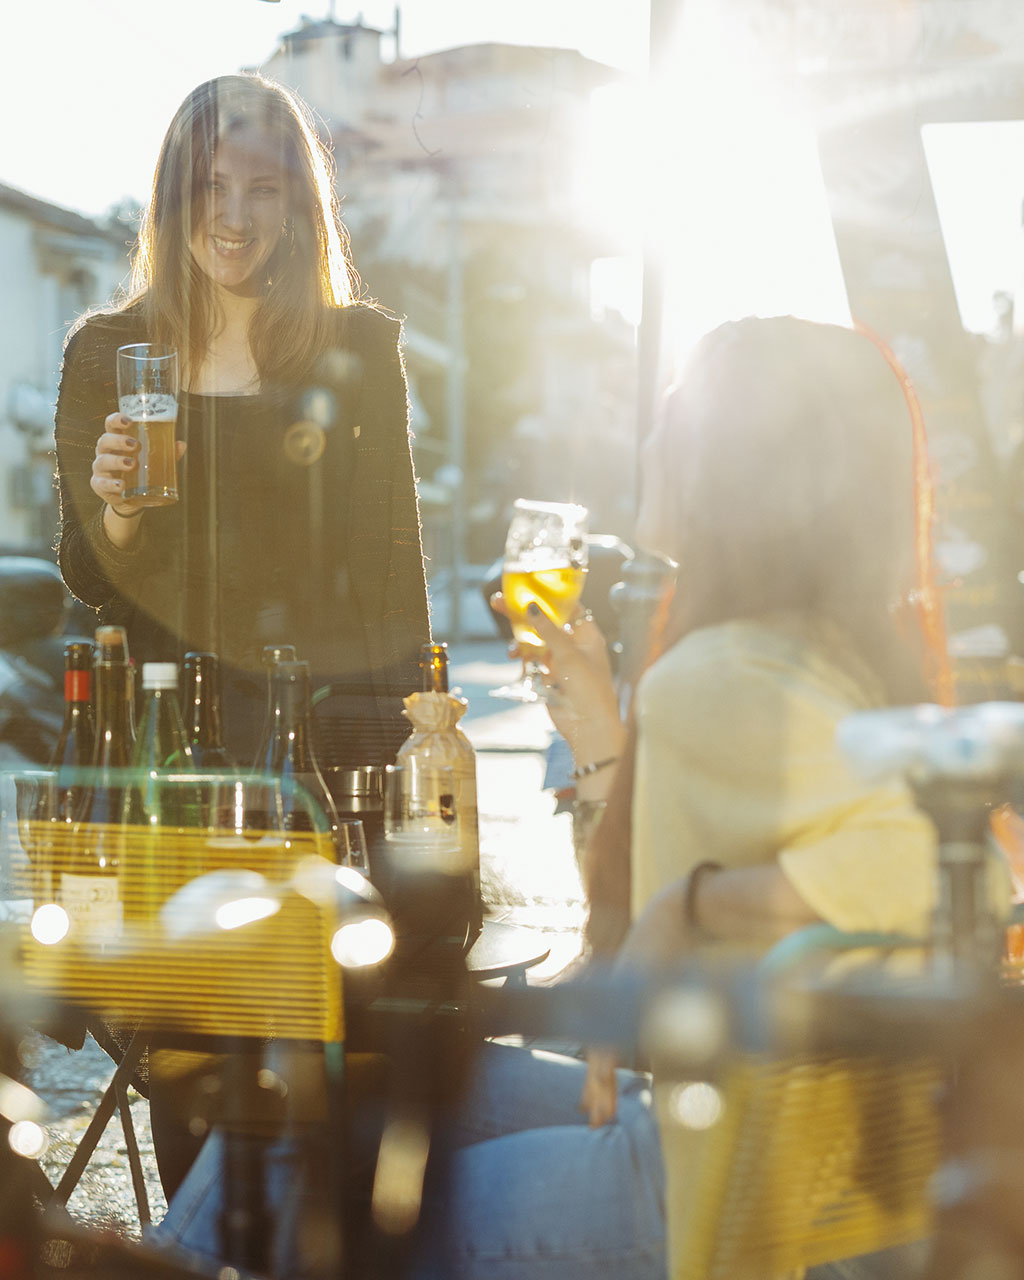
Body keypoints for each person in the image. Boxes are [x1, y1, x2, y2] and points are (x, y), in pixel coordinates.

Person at [160, 317, 1011, 1278]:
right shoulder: (809, 650)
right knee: (308, 1111)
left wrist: (685, 908)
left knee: (296, 1185)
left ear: (737, 467)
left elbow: (949, 878)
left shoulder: (728, 672)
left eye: (675, 417)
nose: (647, 440)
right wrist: (604, 738)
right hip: (763, 1136)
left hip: (729, 1182)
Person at [54, 73, 429, 769]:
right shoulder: (104, 352)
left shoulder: (358, 350)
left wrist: (413, 740)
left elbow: (389, 576)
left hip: (315, 728)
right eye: (211, 187)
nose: (234, 218)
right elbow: (88, 575)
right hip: (154, 722)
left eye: (262, 189)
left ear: (296, 205)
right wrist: (120, 513)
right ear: (172, 200)